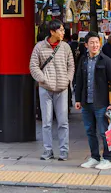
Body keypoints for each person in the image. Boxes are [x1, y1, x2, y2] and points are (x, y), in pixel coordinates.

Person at [74, 32, 111, 171]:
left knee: (103, 132)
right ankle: (95, 157)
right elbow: (79, 80)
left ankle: (107, 158)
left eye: (97, 42)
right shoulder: (83, 60)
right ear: (86, 45)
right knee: (89, 131)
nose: (95, 45)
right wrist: (77, 99)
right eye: (92, 43)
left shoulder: (106, 61)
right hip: (86, 102)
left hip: (101, 103)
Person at [31, 19, 75, 161]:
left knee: (63, 122)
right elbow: (33, 66)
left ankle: (64, 151)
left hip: (62, 88)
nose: (63, 32)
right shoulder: (39, 47)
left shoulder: (66, 47)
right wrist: (42, 78)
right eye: (60, 30)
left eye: (63, 30)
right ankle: (47, 150)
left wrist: (67, 79)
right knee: (47, 122)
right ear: (52, 32)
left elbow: (71, 65)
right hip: (45, 88)